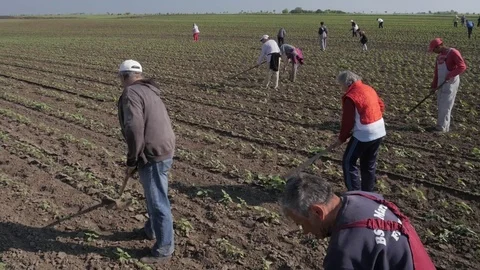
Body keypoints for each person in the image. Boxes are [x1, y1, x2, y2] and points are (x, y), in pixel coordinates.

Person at [281, 173, 437, 270]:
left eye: (302, 224)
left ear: (317, 212)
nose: (305, 231)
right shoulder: (361, 197)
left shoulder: (345, 251)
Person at [117, 60, 176, 264]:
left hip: (152, 153)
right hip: (164, 148)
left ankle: (164, 248)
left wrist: (132, 159)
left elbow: (134, 128)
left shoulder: (131, 93)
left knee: (158, 200)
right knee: (155, 194)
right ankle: (151, 230)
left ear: (125, 77)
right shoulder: (150, 90)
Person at [327, 71, 386, 192]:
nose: (341, 88)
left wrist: (341, 138)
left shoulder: (351, 96)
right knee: (368, 163)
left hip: (364, 134)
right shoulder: (368, 88)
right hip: (379, 129)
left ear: (348, 83)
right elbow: (381, 106)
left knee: (348, 162)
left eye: (341, 85)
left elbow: (347, 122)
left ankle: (355, 193)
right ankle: (368, 192)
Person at [428, 38, 467, 133]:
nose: (434, 52)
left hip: (450, 83)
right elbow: (437, 73)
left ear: (439, 46)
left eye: (434, 49)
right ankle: (440, 125)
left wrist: (450, 75)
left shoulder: (453, 52)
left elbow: (462, 67)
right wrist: (433, 86)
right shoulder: (439, 57)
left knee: (446, 105)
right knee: (440, 104)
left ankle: (443, 128)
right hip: (441, 82)